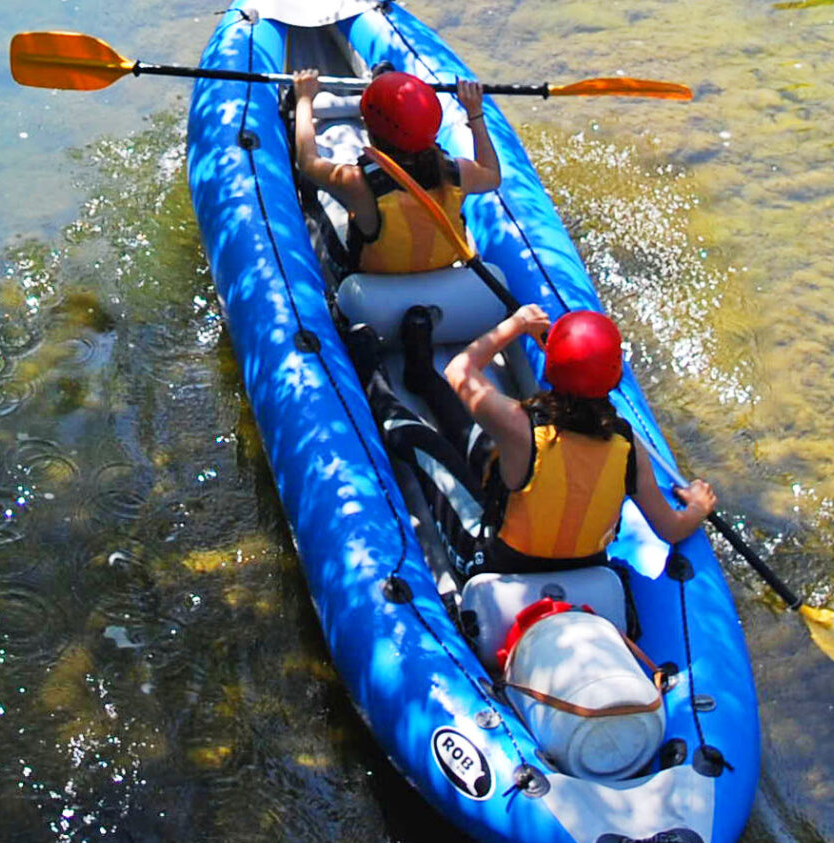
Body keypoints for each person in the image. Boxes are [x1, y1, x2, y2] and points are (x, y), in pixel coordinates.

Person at [445, 305, 718, 572]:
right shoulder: (629, 448)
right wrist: (697, 507)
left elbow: (458, 371)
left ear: (551, 367)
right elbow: (671, 529)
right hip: (588, 565)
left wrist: (519, 323)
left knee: (423, 443)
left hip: (506, 563)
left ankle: (416, 378)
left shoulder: (519, 426)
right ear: (614, 377)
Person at [289, 67, 502, 275]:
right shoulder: (459, 171)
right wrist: (475, 112)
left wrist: (304, 100)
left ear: (370, 133)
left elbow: (307, 161)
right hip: (442, 270)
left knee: (317, 199)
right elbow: (492, 175)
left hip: (375, 281)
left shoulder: (355, 182)